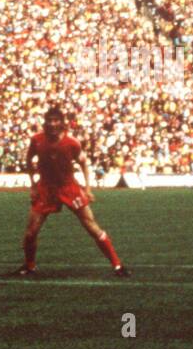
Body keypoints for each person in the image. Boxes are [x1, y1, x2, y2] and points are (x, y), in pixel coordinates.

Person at [13, 106, 129, 278]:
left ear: (61, 123)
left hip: (69, 187)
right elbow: (29, 160)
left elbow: (83, 163)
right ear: (45, 122)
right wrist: (33, 185)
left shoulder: (71, 143)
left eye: (56, 120)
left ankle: (117, 265)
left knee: (91, 226)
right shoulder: (37, 140)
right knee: (31, 232)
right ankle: (30, 266)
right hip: (45, 188)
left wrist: (87, 188)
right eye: (49, 120)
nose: (52, 124)